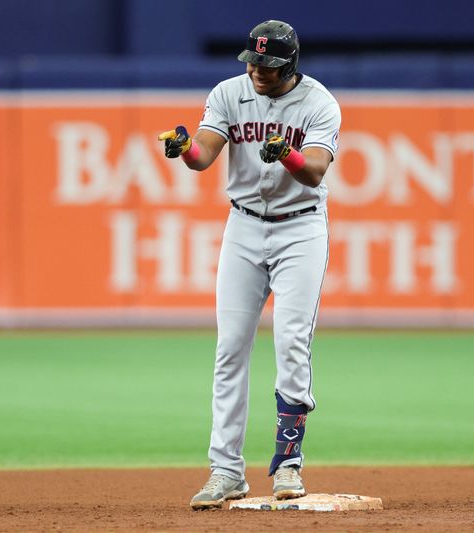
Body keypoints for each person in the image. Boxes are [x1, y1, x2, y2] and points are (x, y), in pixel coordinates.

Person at [158, 19, 341, 510]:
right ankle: (225, 470)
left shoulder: (319, 103)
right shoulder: (228, 92)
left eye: (269, 64)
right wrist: (184, 149)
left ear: (291, 64)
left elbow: (316, 171)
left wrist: (288, 156)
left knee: (291, 343)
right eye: (254, 61)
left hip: (300, 229)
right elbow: (203, 156)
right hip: (243, 227)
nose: (259, 71)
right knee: (230, 349)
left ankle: (287, 463)